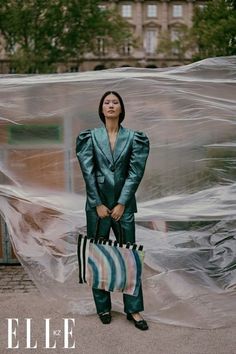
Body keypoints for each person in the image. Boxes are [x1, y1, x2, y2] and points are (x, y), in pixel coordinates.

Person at [76, 91, 150, 330]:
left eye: (115, 102)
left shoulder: (134, 138)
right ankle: (103, 307)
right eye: (107, 102)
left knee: (130, 257)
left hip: (124, 207)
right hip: (96, 207)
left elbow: (135, 172)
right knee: (98, 257)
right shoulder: (90, 137)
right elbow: (88, 173)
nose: (110, 105)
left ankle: (134, 309)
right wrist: (97, 203)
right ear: (101, 108)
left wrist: (121, 203)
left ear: (121, 108)